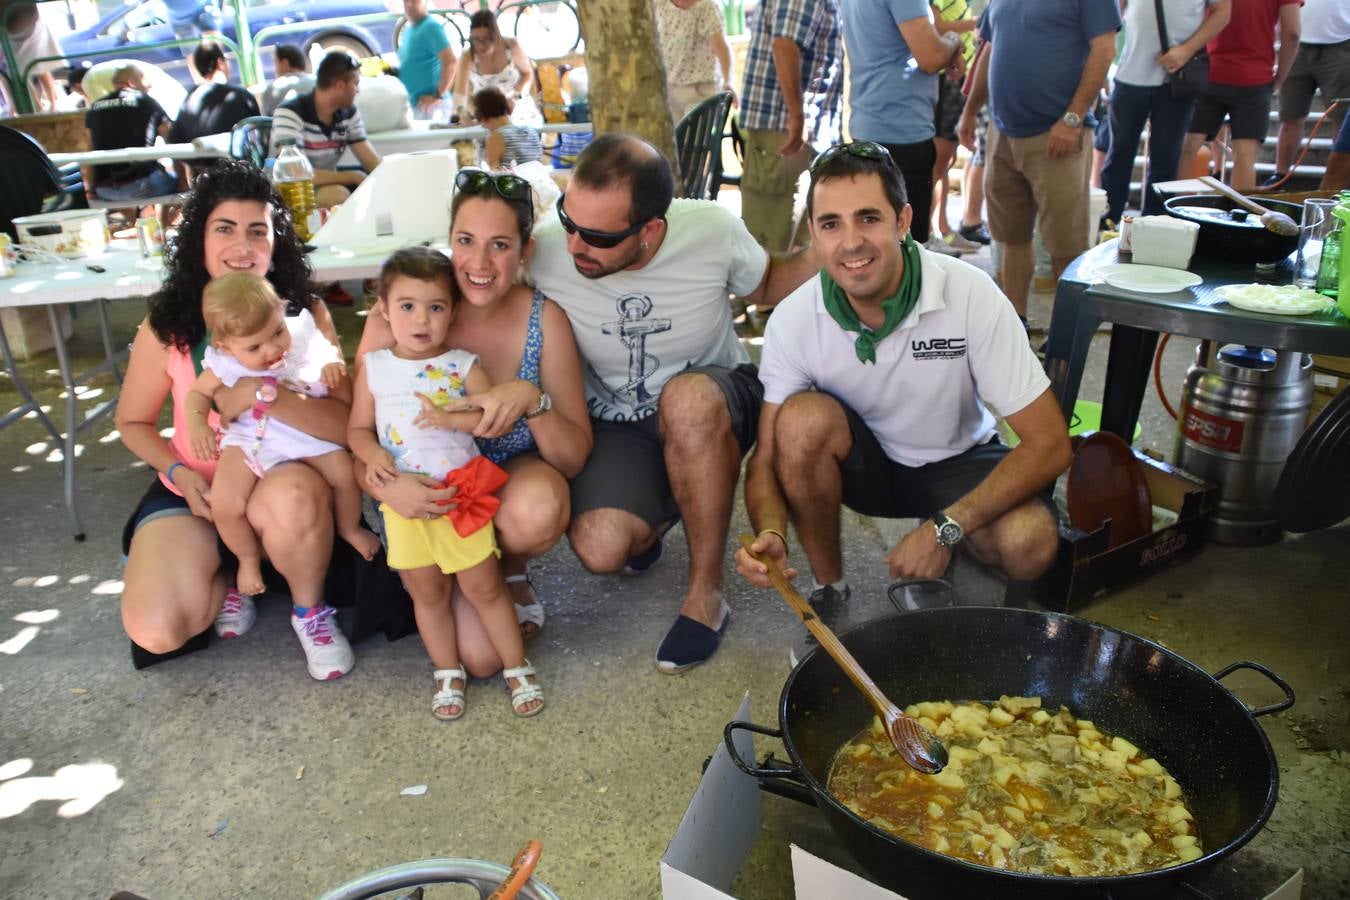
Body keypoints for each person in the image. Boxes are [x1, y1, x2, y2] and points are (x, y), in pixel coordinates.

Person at [734, 142, 1071, 656]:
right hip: (866, 467)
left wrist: (946, 529)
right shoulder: (794, 318)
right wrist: (771, 532)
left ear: (903, 220)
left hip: (961, 455)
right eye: (830, 224)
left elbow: (1050, 443)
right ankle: (830, 588)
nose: (850, 243)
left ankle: (953, 538)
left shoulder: (969, 292)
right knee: (798, 422)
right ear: (813, 236)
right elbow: (767, 456)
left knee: (1030, 545)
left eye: (868, 218)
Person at [528, 134, 819, 672]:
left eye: (596, 236)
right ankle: (664, 504)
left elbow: (768, 283)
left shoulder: (709, 228)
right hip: (616, 421)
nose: (575, 247)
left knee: (686, 402)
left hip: (716, 395)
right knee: (602, 550)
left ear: (651, 230)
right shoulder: (546, 249)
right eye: (570, 223)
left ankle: (705, 593)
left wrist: (834, 244)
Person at [114, 159, 358, 680]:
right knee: (158, 628)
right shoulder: (166, 323)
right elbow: (133, 422)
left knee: (294, 497)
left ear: (276, 242)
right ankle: (226, 567)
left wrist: (259, 395)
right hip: (196, 489)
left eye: (257, 231)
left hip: (280, 472)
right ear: (199, 239)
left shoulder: (302, 314)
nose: (242, 247)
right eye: (225, 229)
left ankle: (308, 610)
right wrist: (180, 473)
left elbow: (346, 429)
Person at [356, 168, 591, 666]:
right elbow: (356, 430)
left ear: (525, 251)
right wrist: (384, 486)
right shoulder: (405, 314)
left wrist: (532, 398)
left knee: (541, 505)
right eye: (466, 240)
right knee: (481, 660)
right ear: (449, 241)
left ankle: (507, 569)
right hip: (420, 492)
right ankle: (443, 582)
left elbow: (572, 458)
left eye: (500, 245)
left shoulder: (543, 319)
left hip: (503, 483)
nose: (480, 263)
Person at [351, 247, 544, 719]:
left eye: (436, 307)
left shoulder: (461, 363)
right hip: (404, 506)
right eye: (407, 306)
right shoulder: (374, 367)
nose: (422, 320)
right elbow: (356, 428)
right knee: (427, 594)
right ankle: (446, 672)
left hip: (461, 496)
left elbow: (486, 419)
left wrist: (448, 419)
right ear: (383, 309)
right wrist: (373, 453)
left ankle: (517, 667)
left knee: (485, 588)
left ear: (453, 312)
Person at [184, 272, 380, 597]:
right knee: (224, 502)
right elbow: (197, 395)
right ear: (226, 347)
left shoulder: (300, 333)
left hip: (302, 432)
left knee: (345, 474)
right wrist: (197, 424)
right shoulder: (225, 363)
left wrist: (332, 363)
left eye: (277, 331)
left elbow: (326, 350)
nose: (273, 348)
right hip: (250, 436)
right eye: (255, 346)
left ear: (281, 310)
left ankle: (350, 528)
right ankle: (247, 560)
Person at [957, 0, 1119, 323]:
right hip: (1002, 134)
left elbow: (1104, 49)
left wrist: (1072, 119)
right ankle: (1016, 325)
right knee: (1012, 238)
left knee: (1065, 247)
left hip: (1057, 134)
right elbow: (990, 47)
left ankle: (1065, 338)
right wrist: (969, 111)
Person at [840, 0, 963, 252]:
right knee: (906, 250)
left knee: (875, 242)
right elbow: (930, 56)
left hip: (871, 122)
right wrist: (953, 41)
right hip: (901, 129)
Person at [1101, 0, 1232, 225]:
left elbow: (1223, 12)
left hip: (1176, 77)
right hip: (1130, 74)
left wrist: (1186, 50)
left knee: (1165, 161)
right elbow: (1114, 11)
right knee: (1118, 154)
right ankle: (1109, 222)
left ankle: (1153, 226)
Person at [737, 0, 843, 253]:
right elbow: (784, 45)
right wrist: (797, 115)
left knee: (799, 243)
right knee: (770, 245)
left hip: (799, 129)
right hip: (784, 129)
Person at [1179, 0, 1300, 191]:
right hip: (1254, 76)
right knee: (1245, 155)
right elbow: (1292, 32)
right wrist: (1280, 76)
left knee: (1188, 148)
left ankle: (1176, 214)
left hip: (1208, 71)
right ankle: (1237, 215)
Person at [270, 51, 382, 209]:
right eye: (355, 83)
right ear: (339, 85)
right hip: (293, 192)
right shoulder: (290, 113)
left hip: (324, 185)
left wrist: (392, 177)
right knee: (338, 195)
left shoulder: (348, 114)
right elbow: (294, 172)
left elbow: (372, 162)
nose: (358, 90)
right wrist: (352, 176)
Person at [1270, 0, 1349, 187]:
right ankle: (1280, 176)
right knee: (1290, 116)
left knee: (1341, 119)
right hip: (1296, 42)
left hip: (1341, 43)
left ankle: (1336, 182)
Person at [82, 65, 178, 205]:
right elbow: (174, 142)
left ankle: (140, 222)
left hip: (105, 191)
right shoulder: (146, 101)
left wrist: (90, 190)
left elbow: (90, 151)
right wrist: (184, 182)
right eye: (144, 79)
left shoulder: (94, 108)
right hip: (143, 186)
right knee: (175, 185)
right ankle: (161, 224)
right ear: (131, 82)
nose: (149, 85)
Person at [929, 0, 980, 254]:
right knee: (937, 162)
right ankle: (928, 234)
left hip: (958, 80)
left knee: (944, 163)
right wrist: (975, 23)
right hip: (946, 80)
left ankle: (944, 230)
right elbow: (937, 26)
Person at [452, 10, 540, 127]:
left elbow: (527, 74)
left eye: (486, 38)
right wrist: (463, 114)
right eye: (476, 39)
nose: (481, 45)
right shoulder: (468, 55)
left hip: (516, 107)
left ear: (496, 35)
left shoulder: (511, 46)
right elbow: (459, 94)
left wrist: (515, 95)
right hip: (485, 113)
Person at [653, 0, 737, 123]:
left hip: (700, 89)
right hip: (670, 88)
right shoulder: (660, 4)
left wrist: (728, 80)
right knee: (673, 139)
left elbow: (722, 48)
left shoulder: (706, 7)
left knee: (693, 139)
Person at [169, 42, 261, 148]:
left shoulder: (187, 101)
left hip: (199, 162)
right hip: (240, 161)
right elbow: (259, 133)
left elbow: (175, 141)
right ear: (220, 63)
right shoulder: (240, 95)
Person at [398, 0, 456, 119]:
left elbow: (450, 61)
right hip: (417, 105)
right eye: (406, 1)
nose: (409, 4)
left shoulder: (431, 27)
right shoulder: (409, 29)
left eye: (414, 1)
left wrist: (438, 95)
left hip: (431, 107)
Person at [3, 2, 62, 112]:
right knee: (14, 73)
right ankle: (37, 108)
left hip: (26, 22)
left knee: (37, 66)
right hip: (14, 26)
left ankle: (51, 103)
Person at [474, 86, 542, 168]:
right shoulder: (531, 132)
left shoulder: (496, 137)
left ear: (482, 115)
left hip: (512, 180)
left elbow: (495, 172)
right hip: (537, 180)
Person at [260, 44, 316, 116]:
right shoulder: (318, 82)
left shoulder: (273, 88)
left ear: (284, 64)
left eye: (275, 62)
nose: (275, 69)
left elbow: (265, 121)